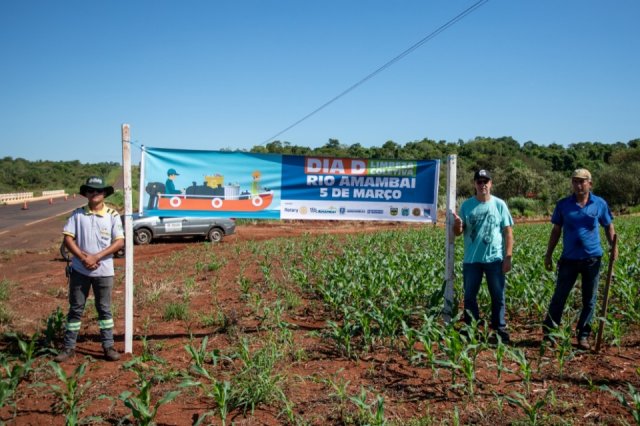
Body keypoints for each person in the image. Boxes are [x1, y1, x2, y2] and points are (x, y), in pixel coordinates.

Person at [542, 168, 617, 350]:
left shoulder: (599, 204)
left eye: (582, 181)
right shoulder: (563, 205)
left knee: (589, 300)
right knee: (559, 297)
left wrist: (613, 248)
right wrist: (549, 254)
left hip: (592, 259)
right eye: (575, 181)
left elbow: (608, 226)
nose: (578, 184)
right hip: (569, 259)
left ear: (590, 184)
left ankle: (583, 336)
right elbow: (556, 231)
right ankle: (550, 334)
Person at [54, 176, 125, 362]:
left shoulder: (113, 215)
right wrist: (83, 258)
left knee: (104, 310)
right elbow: (68, 239)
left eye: (99, 191)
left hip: (104, 271)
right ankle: (69, 348)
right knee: (76, 309)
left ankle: (108, 347)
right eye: (91, 190)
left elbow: (119, 242)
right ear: (86, 193)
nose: (95, 194)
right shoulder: (77, 214)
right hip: (80, 270)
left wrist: (96, 257)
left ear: (104, 194)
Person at [453, 169, 514, 342]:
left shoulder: (499, 204)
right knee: (470, 296)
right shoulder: (466, 205)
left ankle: (499, 329)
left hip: (494, 259)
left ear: (491, 184)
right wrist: (457, 225)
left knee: (498, 295)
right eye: (479, 182)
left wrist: (507, 257)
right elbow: (458, 232)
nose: (483, 185)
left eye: (485, 181)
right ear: (475, 184)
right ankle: (471, 328)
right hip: (472, 260)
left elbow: (508, 233)